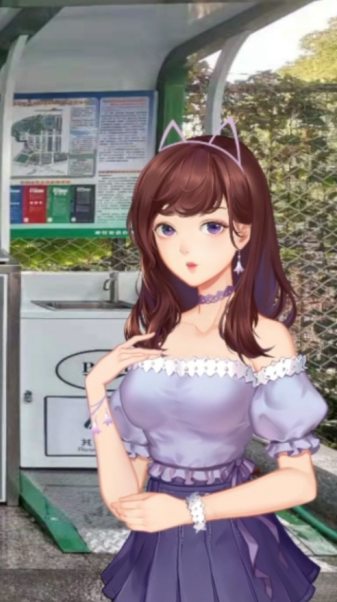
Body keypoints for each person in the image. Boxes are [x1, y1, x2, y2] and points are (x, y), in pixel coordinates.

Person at [85, 118, 327, 602]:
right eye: (166, 227)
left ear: (244, 230)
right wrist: (95, 391)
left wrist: (188, 511)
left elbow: (299, 483)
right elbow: (124, 497)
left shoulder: (263, 336)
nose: (184, 246)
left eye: (210, 225)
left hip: (224, 532)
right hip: (154, 535)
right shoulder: (153, 330)